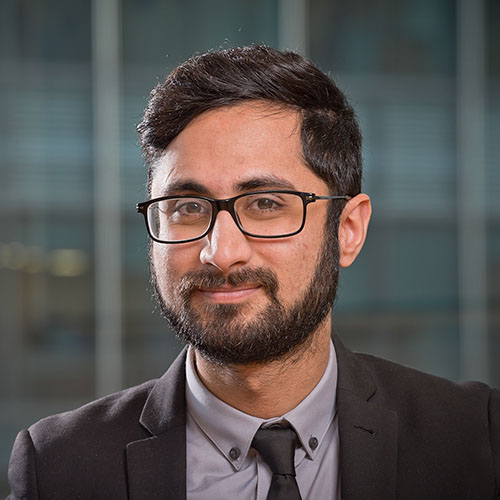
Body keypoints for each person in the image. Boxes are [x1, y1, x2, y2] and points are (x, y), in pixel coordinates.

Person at [6, 45, 500, 500]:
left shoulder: (478, 437)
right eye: (187, 207)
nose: (220, 253)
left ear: (347, 229)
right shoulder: (57, 468)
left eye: (265, 204)